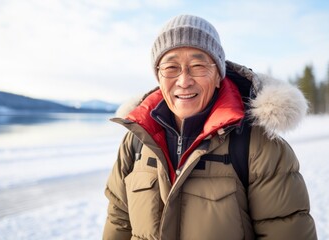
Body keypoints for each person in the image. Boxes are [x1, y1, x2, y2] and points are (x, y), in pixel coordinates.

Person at [103, 14, 317, 240]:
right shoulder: (137, 140)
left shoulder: (258, 145)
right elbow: (119, 220)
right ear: (159, 76)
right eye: (171, 67)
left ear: (218, 76)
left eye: (197, 66)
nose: (184, 81)